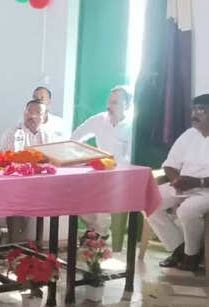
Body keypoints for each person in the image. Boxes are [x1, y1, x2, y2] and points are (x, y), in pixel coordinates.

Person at [147, 94, 209, 271]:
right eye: (193, 110)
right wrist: (176, 180)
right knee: (149, 201)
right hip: (183, 186)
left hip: (206, 190)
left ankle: (192, 254)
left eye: (201, 110)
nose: (194, 114)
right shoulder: (189, 135)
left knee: (187, 210)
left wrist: (199, 182)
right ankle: (178, 247)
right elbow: (170, 164)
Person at [72, 86, 133, 244]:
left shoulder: (132, 126)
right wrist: (83, 157)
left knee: (102, 189)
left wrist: (113, 165)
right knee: (74, 191)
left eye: (115, 103)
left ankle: (101, 232)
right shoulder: (99, 119)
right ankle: (95, 230)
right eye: (109, 101)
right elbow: (76, 137)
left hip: (121, 174)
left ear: (127, 105)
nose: (109, 106)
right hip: (98, 169)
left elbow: (130, 158)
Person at [0, 100, 51, 242]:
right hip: (15, 184)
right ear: (24, 113)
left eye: (37, 113)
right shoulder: (13, 133)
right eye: (29, 112)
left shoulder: (48, 135)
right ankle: (15, 244)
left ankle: (36, 244)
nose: (32, 116)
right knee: (16, 201)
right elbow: (11, 160)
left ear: (44, 117)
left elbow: (51, 159)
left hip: (40, 184)